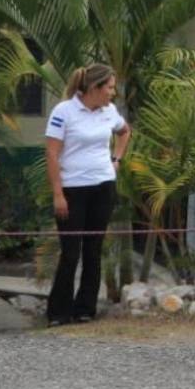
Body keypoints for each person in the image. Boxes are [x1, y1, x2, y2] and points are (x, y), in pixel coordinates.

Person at [44, 63, 132, 327]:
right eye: (110, 87)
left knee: (93, 250)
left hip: (103, 186)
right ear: (95, 87)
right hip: (73, 188)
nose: (112, 93)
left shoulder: (109, 111)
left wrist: (117, 159)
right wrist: (58, 193)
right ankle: (58, 311)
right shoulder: (64, 111)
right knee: (71, 252)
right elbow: (51, 153)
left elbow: (124, 130)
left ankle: (85, 309)